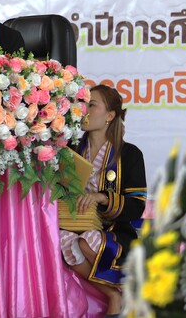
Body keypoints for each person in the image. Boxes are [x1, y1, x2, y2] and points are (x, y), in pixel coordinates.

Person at [59, 84, 146, 318]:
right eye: (82, 104)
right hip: (76, 225)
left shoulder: (130, 154)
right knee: (63, 240)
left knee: (86, 242)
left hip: (115, 231)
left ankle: (126, 294)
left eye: (91, 105)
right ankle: (113, 294)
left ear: (110, 116)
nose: (83, 110)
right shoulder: (70, 150)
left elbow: (137, 206)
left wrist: (102, 197)